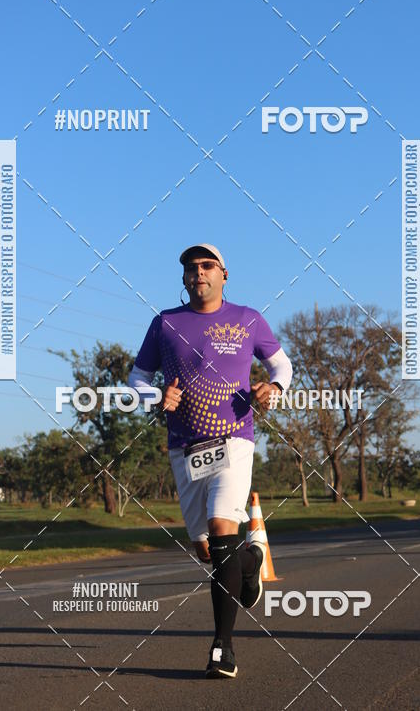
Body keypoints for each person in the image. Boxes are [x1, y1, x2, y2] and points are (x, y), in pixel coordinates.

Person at [127, 243, 293, 678]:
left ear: (223, 274)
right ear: (183, 278)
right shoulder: (165, 323)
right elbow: (137, 377)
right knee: (206, 548)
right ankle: (252, 561)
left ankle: (222, 647)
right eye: (190, 267)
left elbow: (283, 367)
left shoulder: (248, 319)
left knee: (222, 529)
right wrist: (155, 398)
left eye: (206, 265)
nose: (198, 272)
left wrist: (273, 389)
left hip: (234, 440)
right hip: (184, 447)